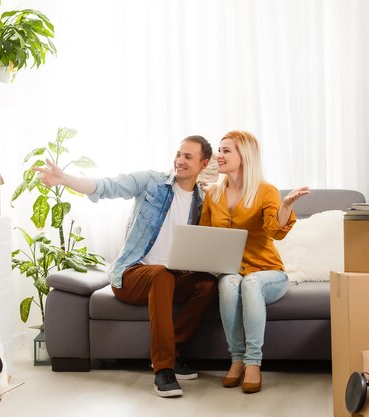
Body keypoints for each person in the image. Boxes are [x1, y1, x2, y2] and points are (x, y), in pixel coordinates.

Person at [34, 135, 217, 398]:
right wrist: (65, 179)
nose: (179, 161)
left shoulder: (202, 201)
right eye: (178, 154)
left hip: (173, 276)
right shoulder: (151, 182)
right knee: (161, 275)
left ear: (203, 163)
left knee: (207, 285)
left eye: (188, 156)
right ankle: (163, 369)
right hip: (133, 274)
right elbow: (106, 186)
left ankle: (173, 352)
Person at [199, 130, 309, 394]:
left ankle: (252, 363)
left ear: (244, 156)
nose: (219, 155)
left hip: (269, 274)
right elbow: (204, 236)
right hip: (232, 271)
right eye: (219, 150)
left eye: (226, 150)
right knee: (227, 284)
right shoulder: (213, 194)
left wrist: (285, 206)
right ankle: (236, 359)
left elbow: (275, 231)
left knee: (250, 283)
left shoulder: (265, 190)